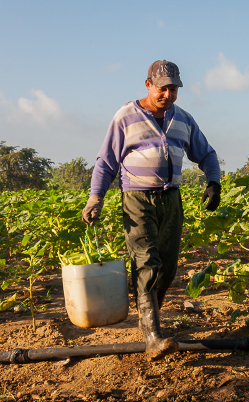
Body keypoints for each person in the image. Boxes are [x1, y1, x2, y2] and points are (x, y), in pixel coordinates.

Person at [82, 60, 221, 361]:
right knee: (148, 262)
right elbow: (106, 162)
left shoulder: (183, 119)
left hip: (172, 200)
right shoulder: (126, 116)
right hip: (137, 200)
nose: (168, 95)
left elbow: (206, 153)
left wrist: (214, 182)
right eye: (163, 88)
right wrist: (96, 198)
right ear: (148, 85)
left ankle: (150, 318)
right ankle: (153, 337)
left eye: (174, 89)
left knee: (168, 267)